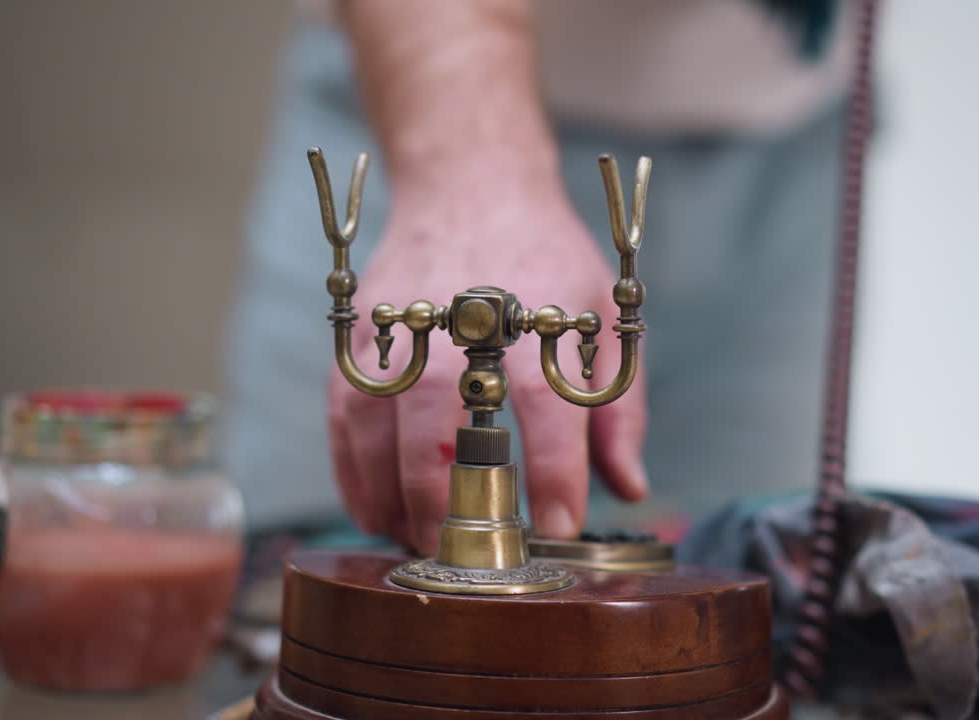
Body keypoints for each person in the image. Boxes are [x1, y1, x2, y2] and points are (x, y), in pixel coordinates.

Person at [224, 0, 859, 555]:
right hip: (420, 93)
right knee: (334, 578)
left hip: (793, 134)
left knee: (744, 593)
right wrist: (471, 180)